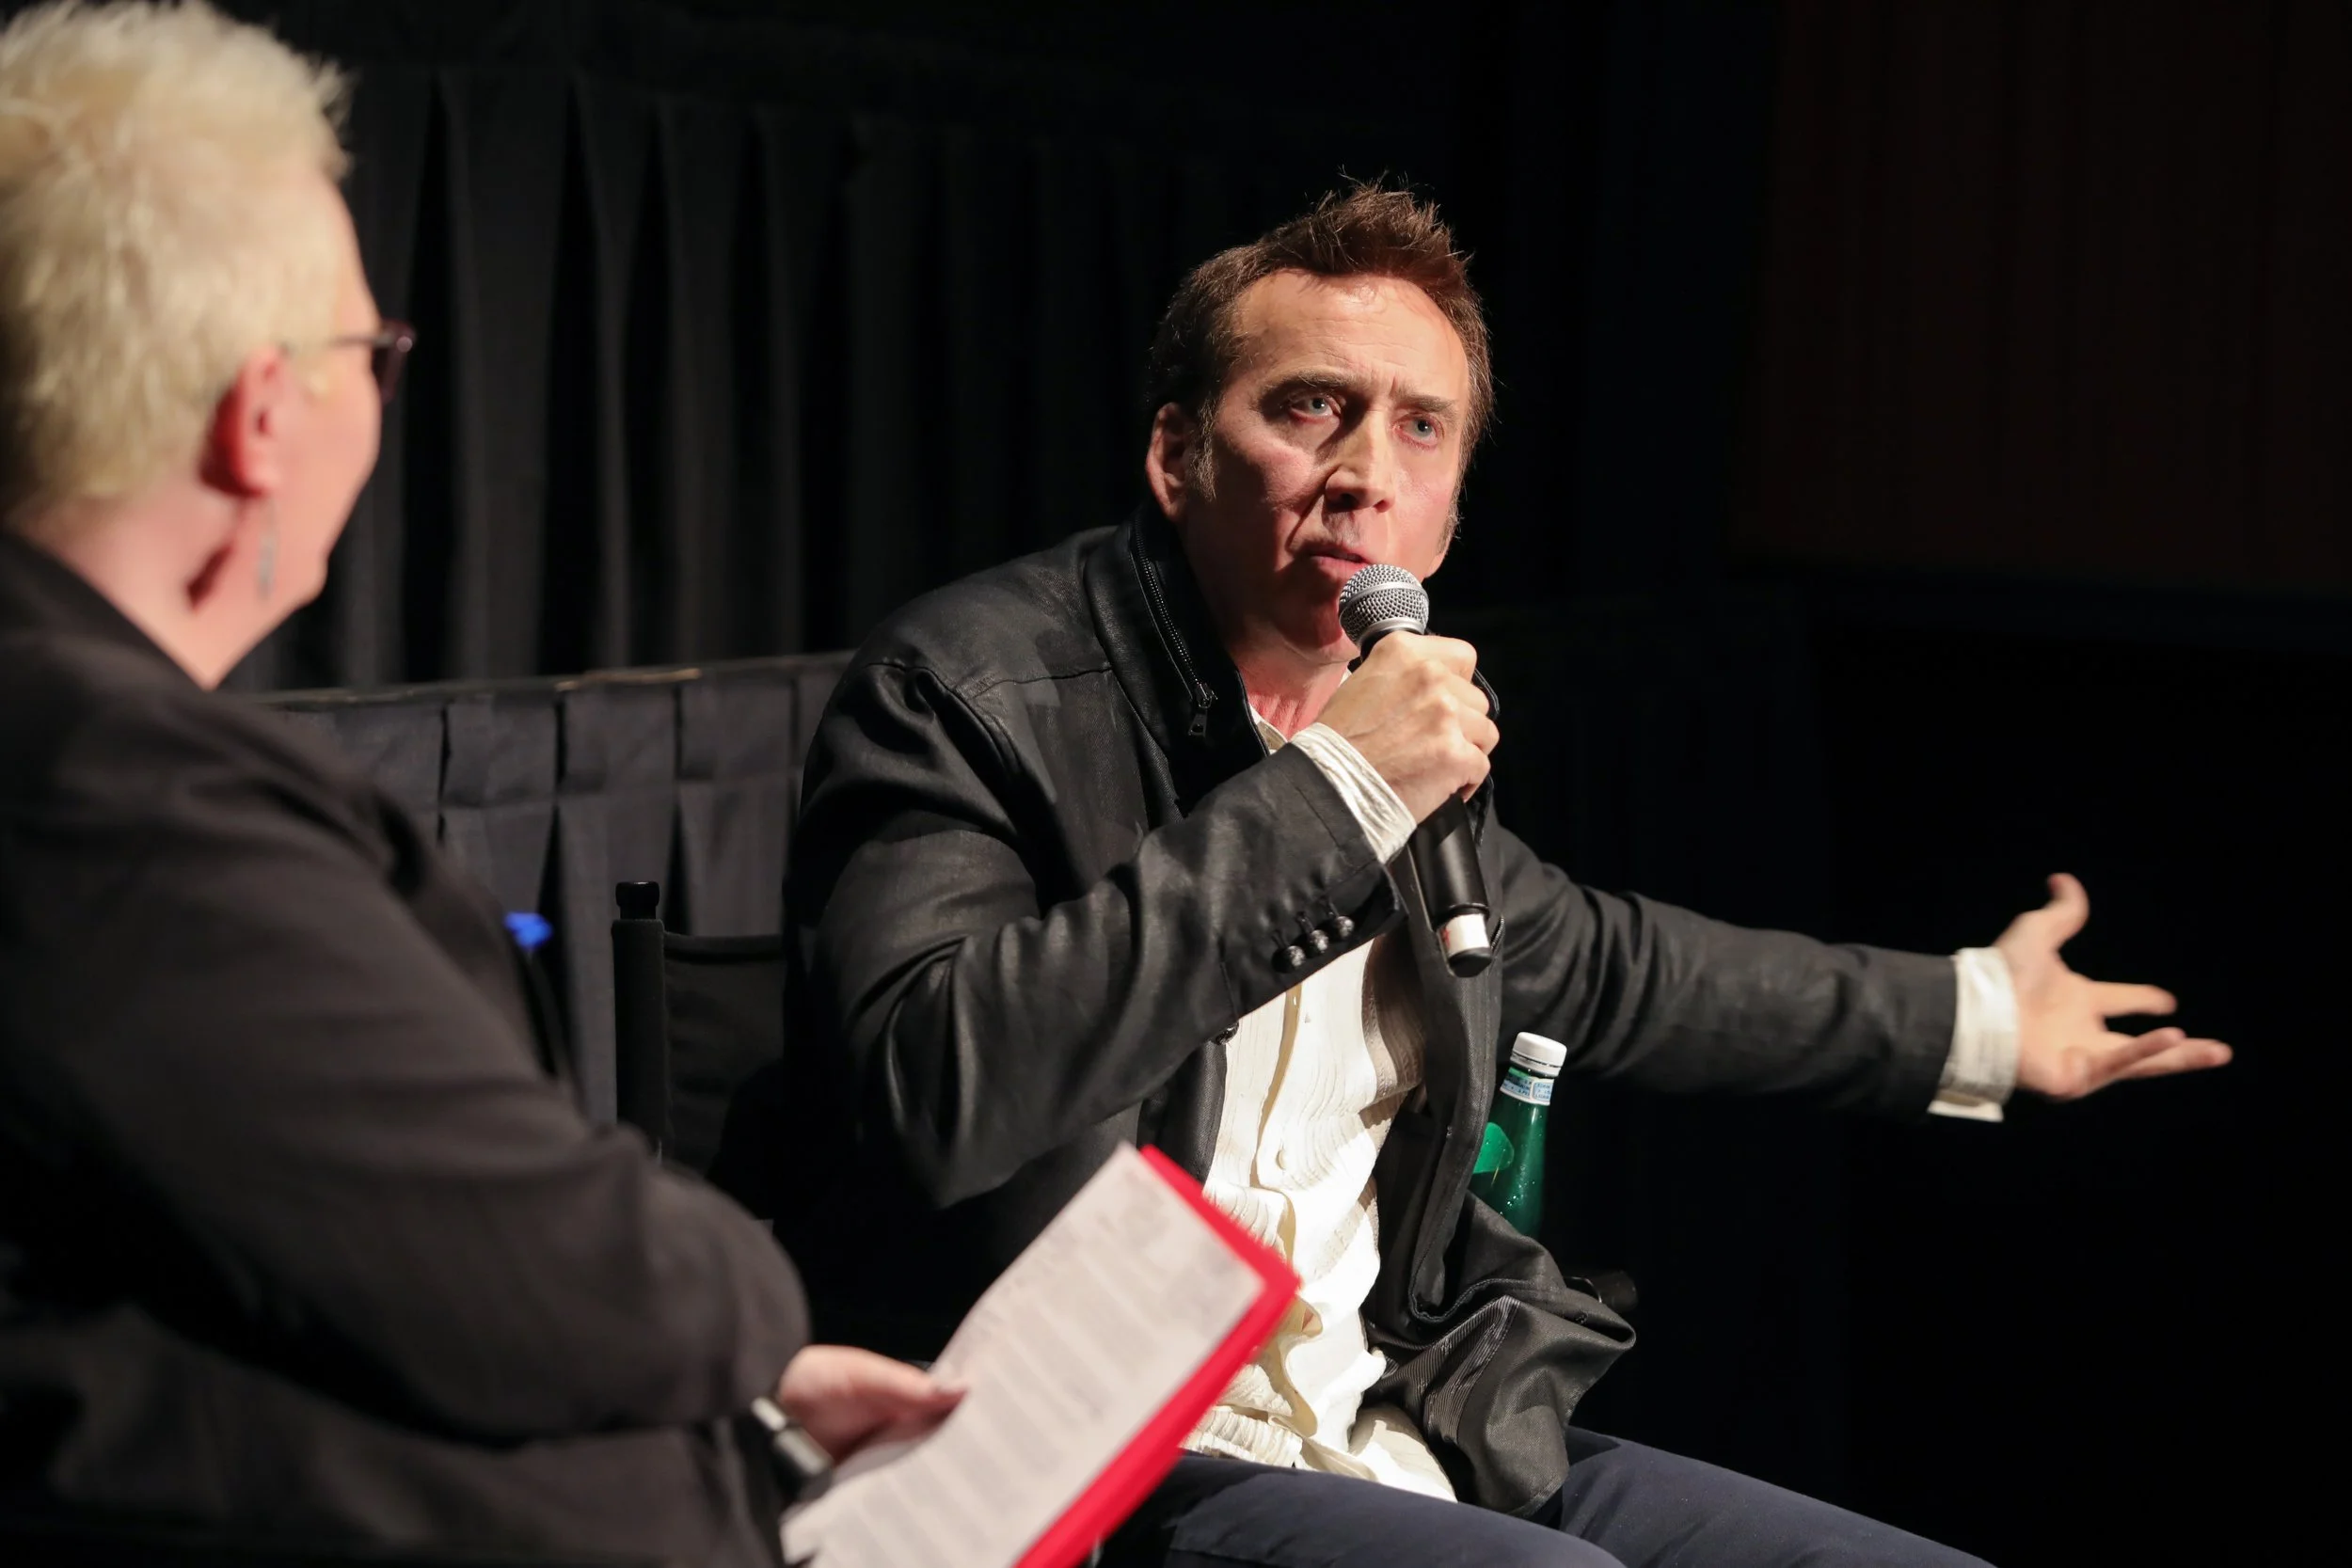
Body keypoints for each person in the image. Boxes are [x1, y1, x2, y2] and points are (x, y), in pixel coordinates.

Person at [779, 183, 2231, 1567]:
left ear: (1454, 504)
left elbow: (1613, 963)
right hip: (1086, 1448)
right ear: (1178, 456)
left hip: (1387, 1422)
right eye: (1309, 408)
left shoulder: (1402, 730)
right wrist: (1336, 795)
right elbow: (936, 1087)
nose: (1368, 473)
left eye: (1421, 428)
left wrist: (1978, 1016)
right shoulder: (973, 686)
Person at [0, 6, 953, 1562]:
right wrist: (750, 1301)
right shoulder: (102, 787)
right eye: (369, 354)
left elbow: (264, 1275)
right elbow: (554, 1270)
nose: (385, 388)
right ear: (261, 416)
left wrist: (747, 1393)